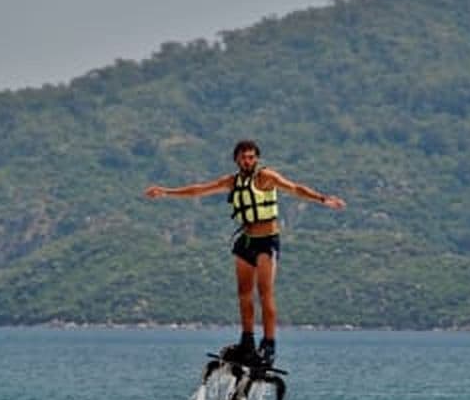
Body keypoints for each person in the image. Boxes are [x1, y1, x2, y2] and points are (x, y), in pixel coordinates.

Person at [144, 139, 346, 365]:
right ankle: (247, 342)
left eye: (251, 156)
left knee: (265, 293)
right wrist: (166, 192)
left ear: (256, 158)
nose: (247, 160)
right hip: (245, 242)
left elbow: (295, 188)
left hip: (266, 242)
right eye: (243, 157)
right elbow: (199, 190)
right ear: (236, 159)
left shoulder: (266, 177)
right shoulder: (232, 181)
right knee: (244, 295)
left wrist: (323, 199)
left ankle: (269, 345)